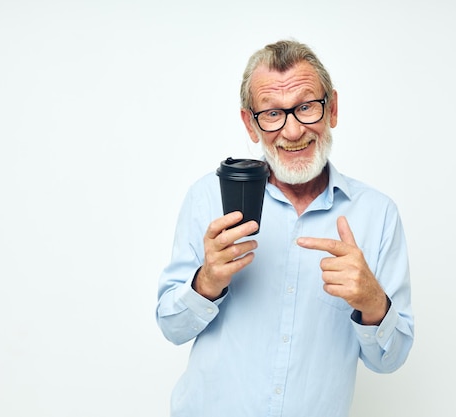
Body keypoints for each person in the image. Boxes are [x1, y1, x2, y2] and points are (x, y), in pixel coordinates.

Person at [156, 39, 414, 417]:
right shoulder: (208, 198)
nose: (292, 132)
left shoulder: (378, 214)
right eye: (273, 114)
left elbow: (390, 360)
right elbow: (171, 327)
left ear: (333, 109)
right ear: (250, 123)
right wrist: (206, 282)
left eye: (307, 107)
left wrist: (373, 303)